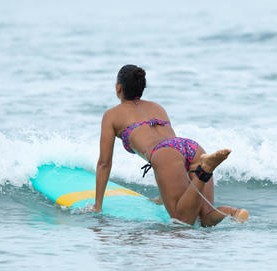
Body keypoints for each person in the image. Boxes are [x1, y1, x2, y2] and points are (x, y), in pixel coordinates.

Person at [93, 64, 248, 226]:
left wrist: (97, 206)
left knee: (181, 220)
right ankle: (236, 213)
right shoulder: (157, 107)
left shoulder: (111, 115)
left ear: (118, 88)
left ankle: (205, 170)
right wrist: (163, 197)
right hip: (189, 146)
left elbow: (104, 163)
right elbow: (172, 150)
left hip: (165, 153)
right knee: (206, 217)